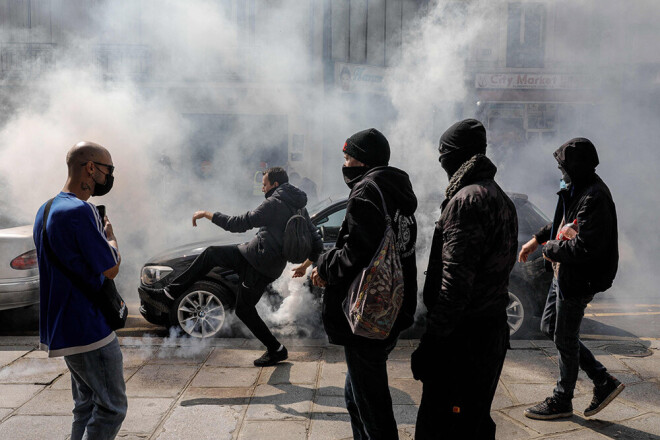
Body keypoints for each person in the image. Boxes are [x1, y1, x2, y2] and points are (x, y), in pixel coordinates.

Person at [411, 119, 518, 439]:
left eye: (442, 154)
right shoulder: (500, 197)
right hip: (490, 332)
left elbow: (455, 285)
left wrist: (431, 343)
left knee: (441, 426)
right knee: (474, 421)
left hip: (463, 341)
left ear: (453, 157)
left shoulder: (466, 201)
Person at [311, 128, 418, 440]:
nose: (344, 164)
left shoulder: (366, 192)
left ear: (362, 160)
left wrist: (322, 267)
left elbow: (355, 253)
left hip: (366, 316)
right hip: (393, 308)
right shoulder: (395, 191)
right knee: (356, 396)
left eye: (347, 157)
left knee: (372, 405)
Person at [165, 167, 323, 366]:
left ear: (275, 185)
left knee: (244, 310)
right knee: (212, 254)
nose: (262, 188)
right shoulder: (299, 206)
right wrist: (304, 266)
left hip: (257, 266)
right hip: (254, 257)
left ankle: (276, 350)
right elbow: (317, 246)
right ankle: (173, 290)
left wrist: (207, 214)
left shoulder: (274, 203)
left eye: (264, 184)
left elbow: (239, 224)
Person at [520, 138, 623, 420]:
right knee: (552, 326)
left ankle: (562, 399)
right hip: (564, 273)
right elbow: (563, 222)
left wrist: (550, 248)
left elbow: (584, 246)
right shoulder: (576, 188)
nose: (560, 171)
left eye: (562, 166)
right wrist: (536, 240)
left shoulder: (595, 197)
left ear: (576, 166)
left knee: (564, 337)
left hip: (580, 278)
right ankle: (603, 380)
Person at [33, 141, 127, 440]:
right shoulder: (79, 210)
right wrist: (110, 238)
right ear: (90, 168)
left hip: (62, 328)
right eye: (107, 170)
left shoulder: (46, 208)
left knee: (85, 406)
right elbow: (110, 268)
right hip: (88, 328)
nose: (108, 177)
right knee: (112, 408)